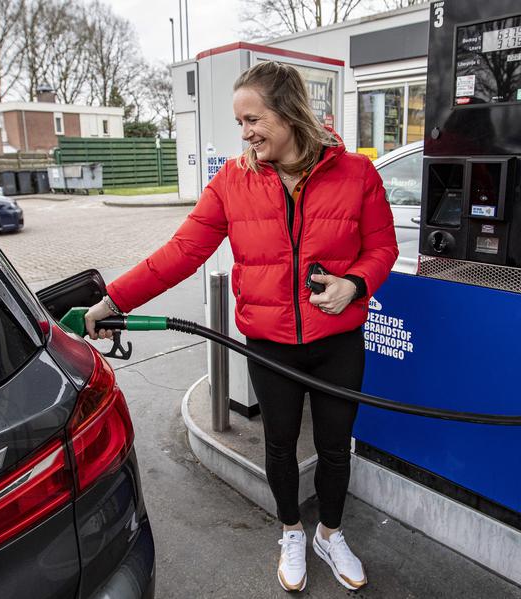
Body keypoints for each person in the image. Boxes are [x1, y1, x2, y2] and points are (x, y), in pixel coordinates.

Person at [85, 60, 398, 592]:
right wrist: (113, 298)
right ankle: (292, 532)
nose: (247, 133)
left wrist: (356, 286)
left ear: (289, 113)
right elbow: (181, 252)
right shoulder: (233, 181)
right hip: (270, 344)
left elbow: (382, 248)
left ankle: (330, 532)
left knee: (335, 446)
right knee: (278, 445)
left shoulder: (357, 174)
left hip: (338, 340)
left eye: (254, 119)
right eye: (240, 123)